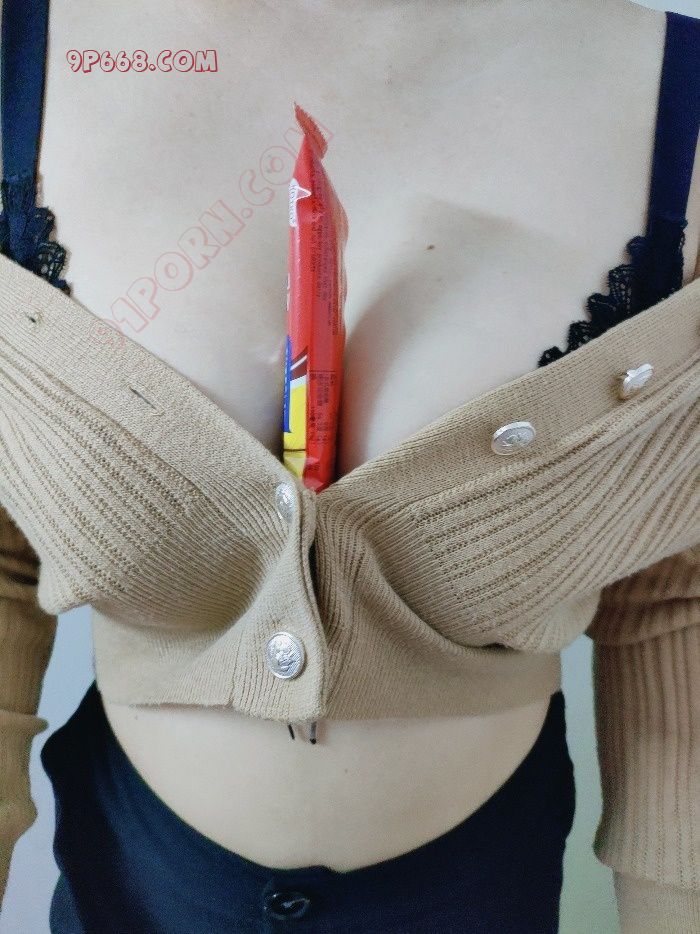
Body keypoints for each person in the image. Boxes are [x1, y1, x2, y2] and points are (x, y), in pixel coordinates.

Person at [0, 1, 698, 931]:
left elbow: (674, 592)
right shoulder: (25, 64)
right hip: (126, 883)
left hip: (481, 894)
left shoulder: (672, 106)